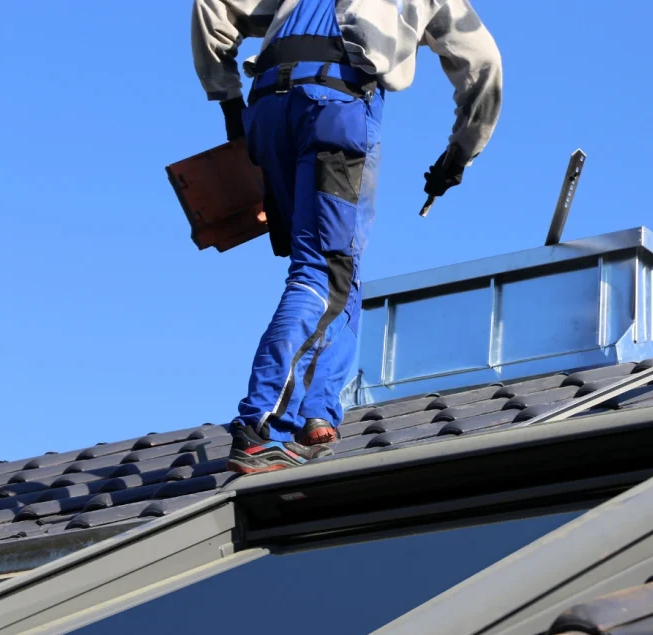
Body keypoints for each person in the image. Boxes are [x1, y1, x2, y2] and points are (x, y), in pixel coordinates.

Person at [191, 0, 503, 474]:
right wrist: (459, 155)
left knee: (341, 265)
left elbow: (212, 5)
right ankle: (262, 427)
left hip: (269, 110)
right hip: (334, 104)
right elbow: (484, 67)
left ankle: (317, 411)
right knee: (323, 271)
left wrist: (231, 102)